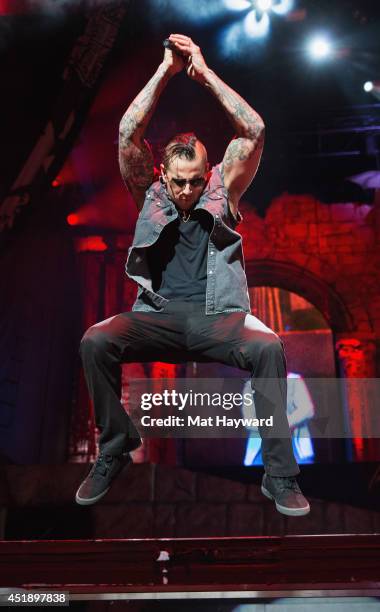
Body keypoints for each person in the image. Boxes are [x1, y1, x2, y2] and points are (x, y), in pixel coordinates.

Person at [75, 34, 310, 516]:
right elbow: (127, 133)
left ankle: (280, 475)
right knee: (95, 341)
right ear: (162, 173)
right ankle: (116, 444)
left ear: (209, 173)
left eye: (196, 180)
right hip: (157, 317)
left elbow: (254, 130)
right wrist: (165, 70)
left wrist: (202, 73)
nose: (187, 190)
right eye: (178, 181)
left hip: (219, 319)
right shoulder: (150, 193)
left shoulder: (223, 188)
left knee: (267, 346)